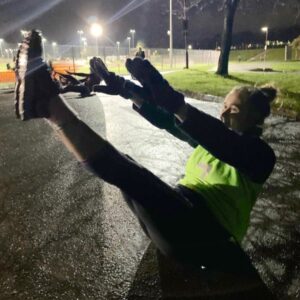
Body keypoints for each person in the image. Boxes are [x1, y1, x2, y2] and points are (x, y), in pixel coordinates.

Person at [15, 30, 276, 273]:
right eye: (225, 105)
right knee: (130, 177)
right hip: (176, 217)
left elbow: (225, 145)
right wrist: (125, 89)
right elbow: (168, 120)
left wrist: (177, 104)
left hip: (210, 238)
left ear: (254, 120)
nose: (224, 111)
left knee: (129, 173)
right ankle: (45, 106)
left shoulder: (260, 157)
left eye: (235, 109)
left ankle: (49, 106)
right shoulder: (207, 143)